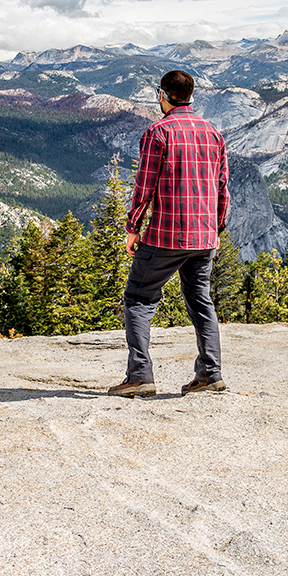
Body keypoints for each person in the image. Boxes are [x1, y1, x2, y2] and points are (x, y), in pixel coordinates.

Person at [109, 69, 230, 398]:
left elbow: (144, 186)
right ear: (191, 97)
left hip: (165, 236)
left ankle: (140, 376)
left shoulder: (158, 132)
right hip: (205, 237)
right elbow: (223, 189)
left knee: (138, 297)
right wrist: (216, 227)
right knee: (201, 301)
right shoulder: (213, 133)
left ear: (163, 95)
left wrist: (133, 227)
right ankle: (210, 374)